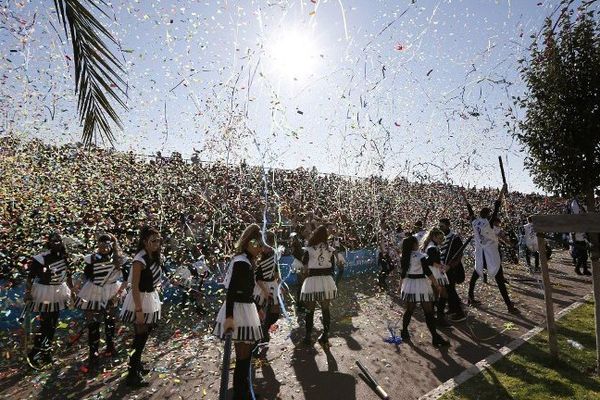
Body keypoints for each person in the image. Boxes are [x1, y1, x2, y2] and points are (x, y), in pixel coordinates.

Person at [214, 224, 264, 400]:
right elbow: (232, 291)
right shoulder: (241, 262)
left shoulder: (245, 260)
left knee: (245, 353)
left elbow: (247, 290)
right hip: (238, 310)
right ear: (249, 243)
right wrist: (229, 317)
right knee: (243, 354)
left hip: (245, 308)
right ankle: (240, 392)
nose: (260, 248)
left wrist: (257, 308)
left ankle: (242, 390)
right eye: (258, 244)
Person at [461, 184, 519, 314]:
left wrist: (464, 197)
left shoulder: (475, 222)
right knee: (499, 280)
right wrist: (502, 191)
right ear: (488, 215)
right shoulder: (489, 223)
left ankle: (470, 297)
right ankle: (509, 306)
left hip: (481, 254)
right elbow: (497, 206)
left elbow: (470, 210)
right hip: (491, 255)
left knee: (476, 275)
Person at [75, 233, 128, 370]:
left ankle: (110, 346)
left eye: (106, 245)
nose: (103, 248)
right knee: (93, 324)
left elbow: (126, 279)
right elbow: (85, 275)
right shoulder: (91, 259)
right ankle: (93, 353)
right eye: (101, 245)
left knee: (110, 321)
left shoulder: (119, 259)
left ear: (111, 245)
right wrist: (76, 287)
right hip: (93, 291)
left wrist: (119, 293)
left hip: (111, 291)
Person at [120, 226, 164, 387]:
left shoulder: (153, 256)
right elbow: (135, 286)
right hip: (140, 300)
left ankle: (136, 364)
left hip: (150, 297)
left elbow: (154, 279)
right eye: (153, 240)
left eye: (158, 240)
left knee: (144, 335)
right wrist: (138, 310)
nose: (157, 243)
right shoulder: (139, 259)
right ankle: (132, 374)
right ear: (144, 241)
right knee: (139, 338)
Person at [25, 232, 75, 369]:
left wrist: (73, 292)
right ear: (49, 243)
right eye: (54, 241)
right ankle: (34, 354)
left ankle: (46, 355)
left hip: (58, 291)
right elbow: (30, 277)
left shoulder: (65, 257)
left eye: (59, 241)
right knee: (45, 324)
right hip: (44, 293)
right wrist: (28, 293)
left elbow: (68, 276)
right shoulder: (40, 259)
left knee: (52, 324)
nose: (57, 243)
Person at [399, 235, 449, 347]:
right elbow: (427, 271)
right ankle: (435, 337)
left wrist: (400, 286)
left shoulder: (405, 256)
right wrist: (436, 284)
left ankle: (404, 331)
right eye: (416, 243)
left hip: (410, 285)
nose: (418, 244)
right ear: (414, 245)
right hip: (421, 284)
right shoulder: (420, 256)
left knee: (409, 310)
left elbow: (403, 273)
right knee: (428, 312)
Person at [300, 225, 338, 346]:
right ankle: (325, 335)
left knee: (309, 310)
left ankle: (308, 336)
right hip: (327, 281)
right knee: (325, 309)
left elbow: (304, 268)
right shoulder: (330, 249)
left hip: (312, 281)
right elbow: (333, 266)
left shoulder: (309, 249)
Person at [253, 231, 281, 349]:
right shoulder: (259, 257)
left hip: (272, 285)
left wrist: (279, 285)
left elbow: (276, 272)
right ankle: (259, 337)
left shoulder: (274, 255)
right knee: (257, 313)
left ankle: (265, 330)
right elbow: (258, 278)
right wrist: (265, 290)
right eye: (264, 244)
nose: (265, 247)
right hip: (260, 287)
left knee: (275, 313)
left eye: (268, 244)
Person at [421, 228, 451, 328]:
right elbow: (429, 261)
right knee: (443, 294)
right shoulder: (432, 247)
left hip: (435, 272)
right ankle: (439, 318)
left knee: (436, 295)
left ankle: (433, 317)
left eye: (442, 238)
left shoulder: (431, 245)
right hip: (435, 273)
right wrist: (441, 266)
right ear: (434, 237)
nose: (441, 240)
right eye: (439, 238)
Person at [438, 218, 467, 322]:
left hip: (452, 269)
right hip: (443, 268)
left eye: (442, 226)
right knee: (449, 289)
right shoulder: (442, 237)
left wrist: (450, 266)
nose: (440, 228)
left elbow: (459, 255)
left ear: (448, 226)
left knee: (450, 290)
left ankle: (460, 313)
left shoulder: (455, 238)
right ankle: (452, 309)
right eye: (439, 226)